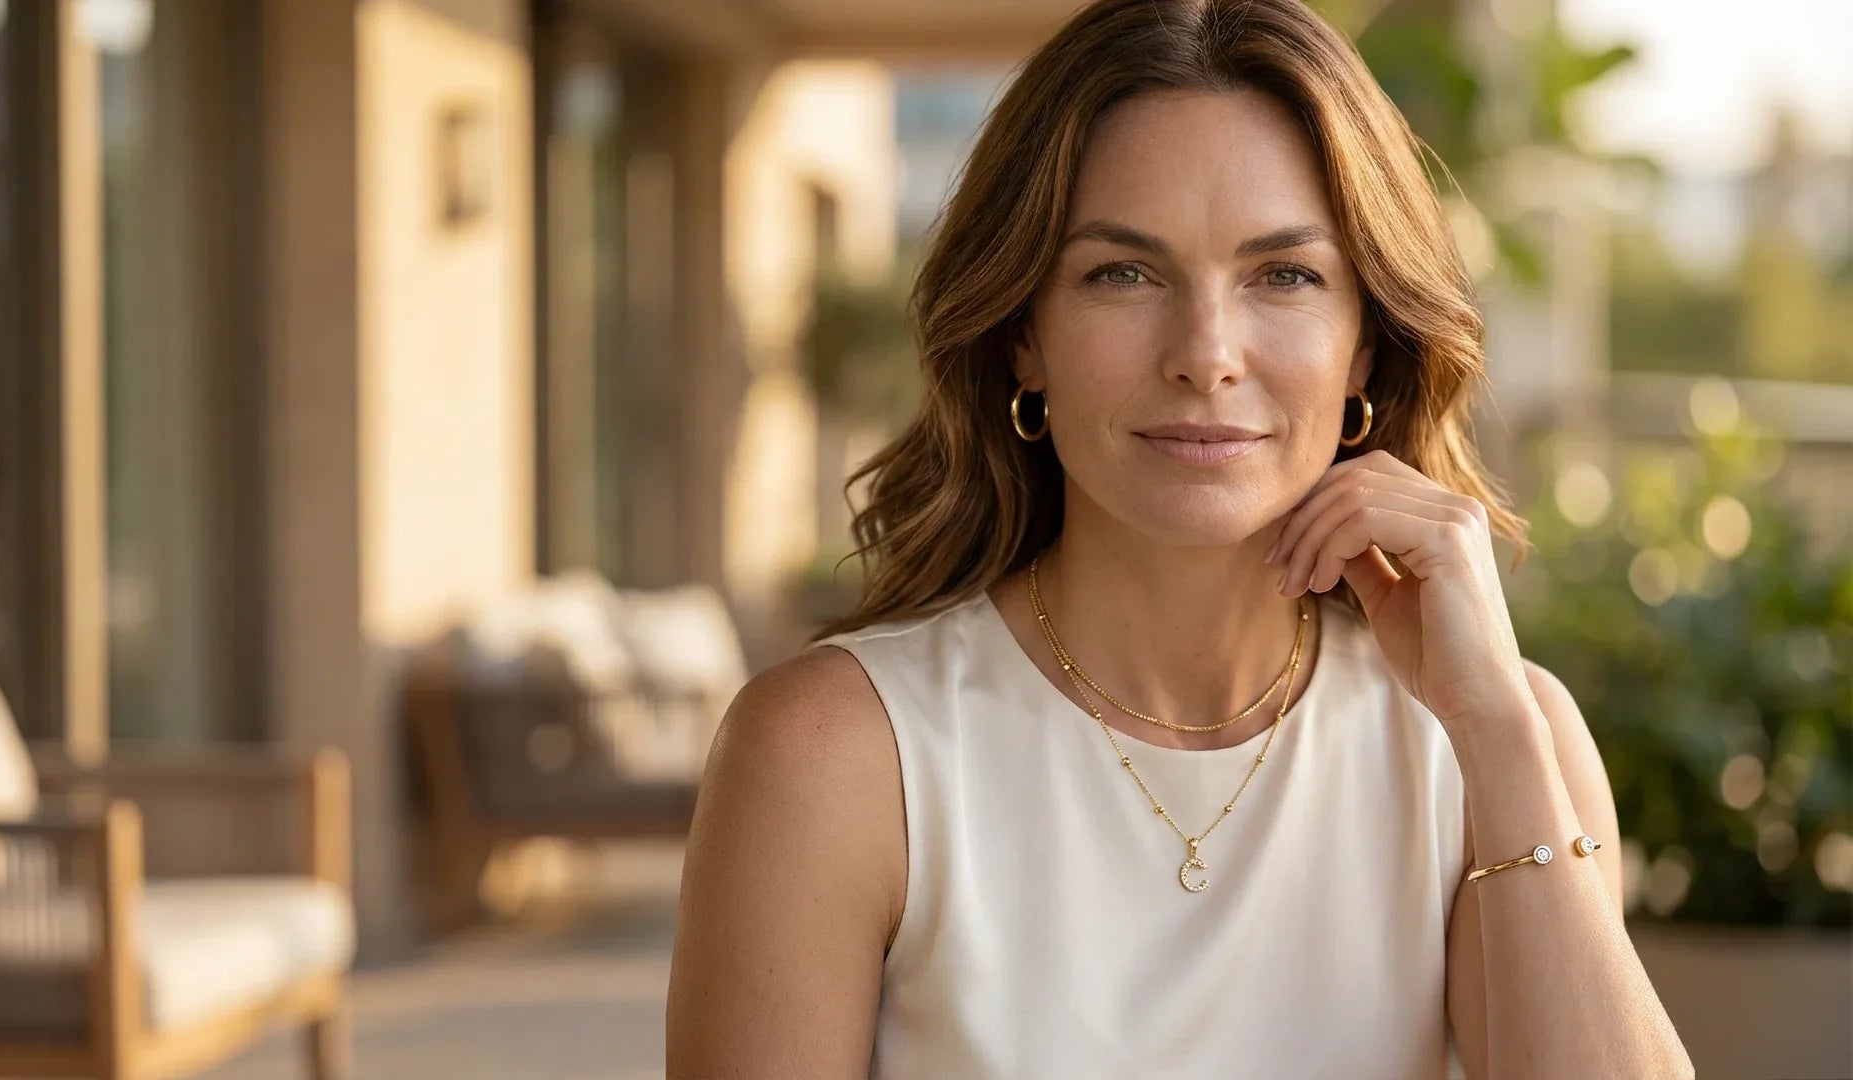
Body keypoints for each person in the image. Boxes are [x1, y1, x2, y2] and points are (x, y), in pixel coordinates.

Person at [666, 1, 1693, 1076]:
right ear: (1024, 337)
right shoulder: (835, 755)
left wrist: (1493, 724)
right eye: (1124, 273)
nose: (1206, 355)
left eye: (1283, 275)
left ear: (1364, 349)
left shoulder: (1493, 748)